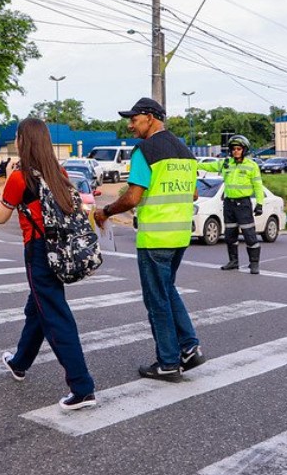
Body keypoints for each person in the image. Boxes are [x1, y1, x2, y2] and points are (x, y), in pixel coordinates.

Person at [93, 97, 204, 382]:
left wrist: (105, 211)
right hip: (180, 234)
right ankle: (190, 348)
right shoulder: (184, 151)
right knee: (167, 290)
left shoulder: (145, 150)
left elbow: (132, 197)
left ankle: (168, 362)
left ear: (151, 118)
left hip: (155, 236)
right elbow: (193, 195)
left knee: (156, 299)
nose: (130, 125)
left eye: (134, 119)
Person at [0, 117, 96, 410]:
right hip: (60, 250)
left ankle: (82, 387)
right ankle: (19, 362)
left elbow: (0, 217)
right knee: (37, 307)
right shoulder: (58, 172)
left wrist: (7, 179)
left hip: (38, 251)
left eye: (17, 137)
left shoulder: (20, 177)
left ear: (23, 141)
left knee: (54, 315)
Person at [197, 134, 265, 274]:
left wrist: (260, 204)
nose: (235, 151)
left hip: (244, 204)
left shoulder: (251, 166)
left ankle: (254, 263)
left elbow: (258, 186)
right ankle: (233, 262)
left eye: (238, 148)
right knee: (229, 235)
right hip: (229, 204)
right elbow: (208, 166)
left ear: (244, 150)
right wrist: (191, 163)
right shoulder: (226, 163)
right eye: (233, 149)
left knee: (249, 235)